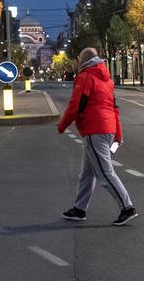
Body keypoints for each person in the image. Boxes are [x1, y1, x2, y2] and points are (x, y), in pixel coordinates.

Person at [57, 48, 137, 226]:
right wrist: (118, 134)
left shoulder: (85, 76)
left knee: (105, 172)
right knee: (88, 173)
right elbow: (114, 108)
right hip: (107, 129)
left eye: (78, 59)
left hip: (95, 130)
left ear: (83, 60)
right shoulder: (106, 79)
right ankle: (79, 209)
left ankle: (127, 207)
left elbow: (75, 105)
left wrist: (62, 125)